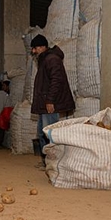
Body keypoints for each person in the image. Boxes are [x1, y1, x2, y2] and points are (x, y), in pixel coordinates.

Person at [30, 34, 75, 169]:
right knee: (42, 133)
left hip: (49, 104)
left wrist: (50, 100)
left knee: (50, 134)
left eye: (35, 48)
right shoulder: (45, 60)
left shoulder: (52, 60)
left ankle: (54, 162)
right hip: (44, 103)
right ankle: (47, 161)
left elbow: (57, 81)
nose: (33, 51)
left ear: (43, 47)